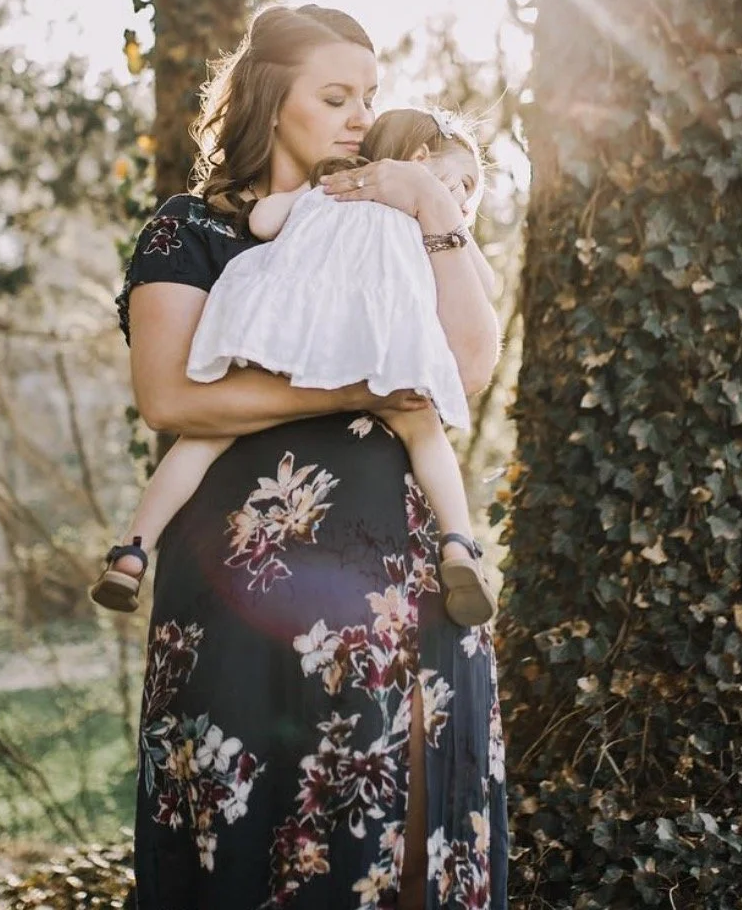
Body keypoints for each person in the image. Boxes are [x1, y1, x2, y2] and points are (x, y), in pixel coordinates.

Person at [115, 4, 507, 909]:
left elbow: (468, 368)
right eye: (335, 96)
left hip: (409, 581)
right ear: (269, 101)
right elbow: (170, 397)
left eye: (368, 95)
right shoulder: (192, 231)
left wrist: (435, 209)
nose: (361, 116)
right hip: (240, 595)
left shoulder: (397, 214)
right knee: (244, 851)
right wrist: (356, 389)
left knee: (411, 850)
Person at [91, 104, 499, 627]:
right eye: (462, 183)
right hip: (377, 353)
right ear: (419, 159)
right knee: (423, 432)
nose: (464, 201)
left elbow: (261, 221)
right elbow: (484, 288)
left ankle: (131, 550)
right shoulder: (425, 223)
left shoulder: (330, 184)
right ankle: (460, 547)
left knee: (203, 439)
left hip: (295, 341)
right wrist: (441, 214)